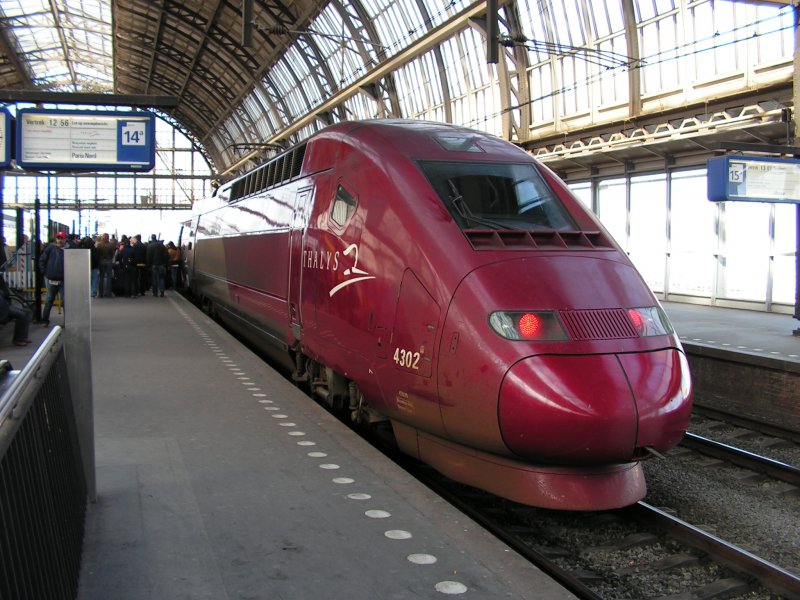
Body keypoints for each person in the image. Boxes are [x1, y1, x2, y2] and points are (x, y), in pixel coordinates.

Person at [38, 231, 68, 327]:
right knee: (49, 300)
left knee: (65, 301)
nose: (59, 240)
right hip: (51, 278)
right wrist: (45, 273)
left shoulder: (68, 250)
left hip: (63, 279)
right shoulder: (50, 248)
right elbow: (42, 260)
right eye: (58, 238)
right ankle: (44, 320)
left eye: (61, 238)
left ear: (65, 239)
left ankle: (67, 321)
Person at [0, 278, 31, 346]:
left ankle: (23, 337)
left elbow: (5, 292)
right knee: (22, 315)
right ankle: (18, 339)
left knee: (26, 311)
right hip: (3, 308)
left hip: (5, 305)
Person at [96, 233, 116, 297]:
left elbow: (98, 254)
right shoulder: (110, 245)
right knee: (108, 278)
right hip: (108, 261)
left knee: (101, 277)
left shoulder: (99, 245)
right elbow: (112, 254)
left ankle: (100, 293)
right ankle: (108, 293)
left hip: (101, 261)